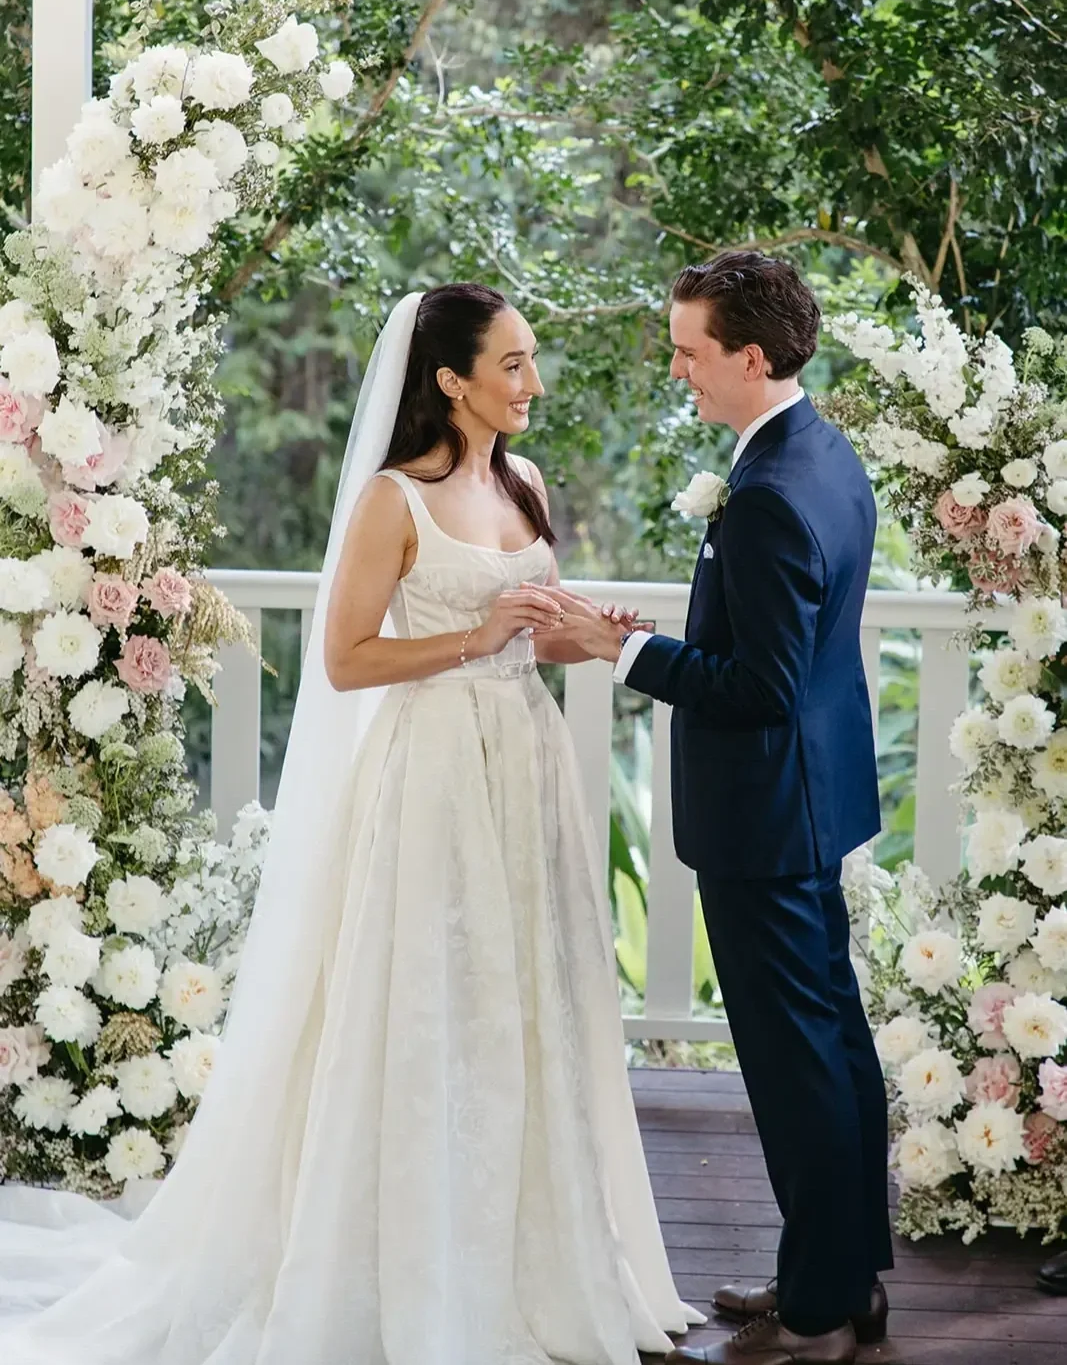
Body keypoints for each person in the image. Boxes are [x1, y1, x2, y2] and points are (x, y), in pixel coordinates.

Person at [0, 284, 704, 1363]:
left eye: (530, 360)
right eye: (512, 363)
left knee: (529, 992)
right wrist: (476, 637)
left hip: (523, 762)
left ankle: (534, 1259)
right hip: (433, 772)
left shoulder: (523, 483)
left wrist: (593, 634)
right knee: (432, 992)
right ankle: (412, 1265)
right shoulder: (392, 500)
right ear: (450, 380)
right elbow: (346, 659)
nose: (532, 382)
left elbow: (533, 638)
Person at [536, 254, 893, 1365]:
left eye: (690, 350)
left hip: (767, 821)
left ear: (749, 355)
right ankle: (839, 1276)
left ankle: (818, 1309)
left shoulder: (770, 494)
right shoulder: (817, 450)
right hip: (810, 802)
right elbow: (779, 649)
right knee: (830, 1045)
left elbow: (757, 687)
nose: (677, 368)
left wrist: (619, 650)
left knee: (796, 1065)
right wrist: (651, 638)